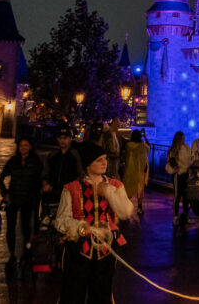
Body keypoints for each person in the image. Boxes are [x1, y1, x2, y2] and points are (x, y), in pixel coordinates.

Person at [55, 141, 135, 303]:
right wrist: (81, 227)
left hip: (105, 249)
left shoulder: (115, 185)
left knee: (102, 293)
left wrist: (108, 192)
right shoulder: (71, 188)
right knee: (72, 293)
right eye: (99, 160)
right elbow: (61, 221)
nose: (104, 162)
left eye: (105, 159)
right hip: (78, 249)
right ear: (88, 164)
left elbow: (126, 212)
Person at [0, 137, 43, 272]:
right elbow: (2, 178)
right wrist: (5, 193)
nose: (23, 148)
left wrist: (36, 197)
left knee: (26, 227)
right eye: (21, 145)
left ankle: (26, 252)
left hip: (28, 199)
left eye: (26, 145)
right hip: (13, 198)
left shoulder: (35, 162)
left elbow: (40, 180)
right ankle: (12, 254)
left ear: (30, 147)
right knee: (10, 228)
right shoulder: (13, 161)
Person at [43, 127, 83, 208]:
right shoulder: (52, 156)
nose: (62, 140)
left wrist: (72, 187)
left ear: (70, 139)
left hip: (69, 194)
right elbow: (46, 172)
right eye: (60, 138)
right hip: (53, 192)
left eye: (65, 138)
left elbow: (81, 174)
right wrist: (45, 184)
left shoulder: (75, 155)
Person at [166, 131, 192, 222]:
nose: (183, 140)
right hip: (178, 175)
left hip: (185, 174)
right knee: (177, 195)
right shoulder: (175, 149)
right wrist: (176, 168)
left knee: (185, 196)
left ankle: (185, 216)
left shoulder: (185, 147)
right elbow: (171, 160)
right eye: (182, 138)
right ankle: (176, 216)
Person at [121, 129, 150, 215]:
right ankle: (139, 208)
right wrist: (145, 138)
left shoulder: (128, 145)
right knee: (140, 190)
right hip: (139, 172)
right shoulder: (142, 146)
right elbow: (149, 149)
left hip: (129, 171)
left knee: (128, 190)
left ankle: (125, 208)